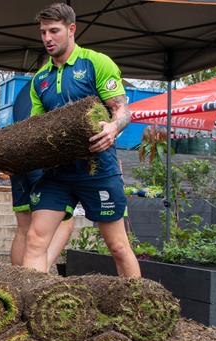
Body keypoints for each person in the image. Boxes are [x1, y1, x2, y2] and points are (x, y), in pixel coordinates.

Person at [24, 3, 140, 277]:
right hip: (57, 173)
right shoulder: (40, 78)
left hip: (97, 169)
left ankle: (139, 309)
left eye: (54, 31)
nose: (47, 38)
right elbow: (37, 127)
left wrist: (113, 128)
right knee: (35, 239)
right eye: (43, 32)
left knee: (118, 246)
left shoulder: (96, 63)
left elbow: (122, 109)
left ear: (71, 29)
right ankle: (34, 306)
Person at [9, 170, 74, 267]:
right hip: (43, 167)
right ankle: (39, 270)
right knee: (64, 223)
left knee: (23, 227)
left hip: (18, 164)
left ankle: (19, 277)